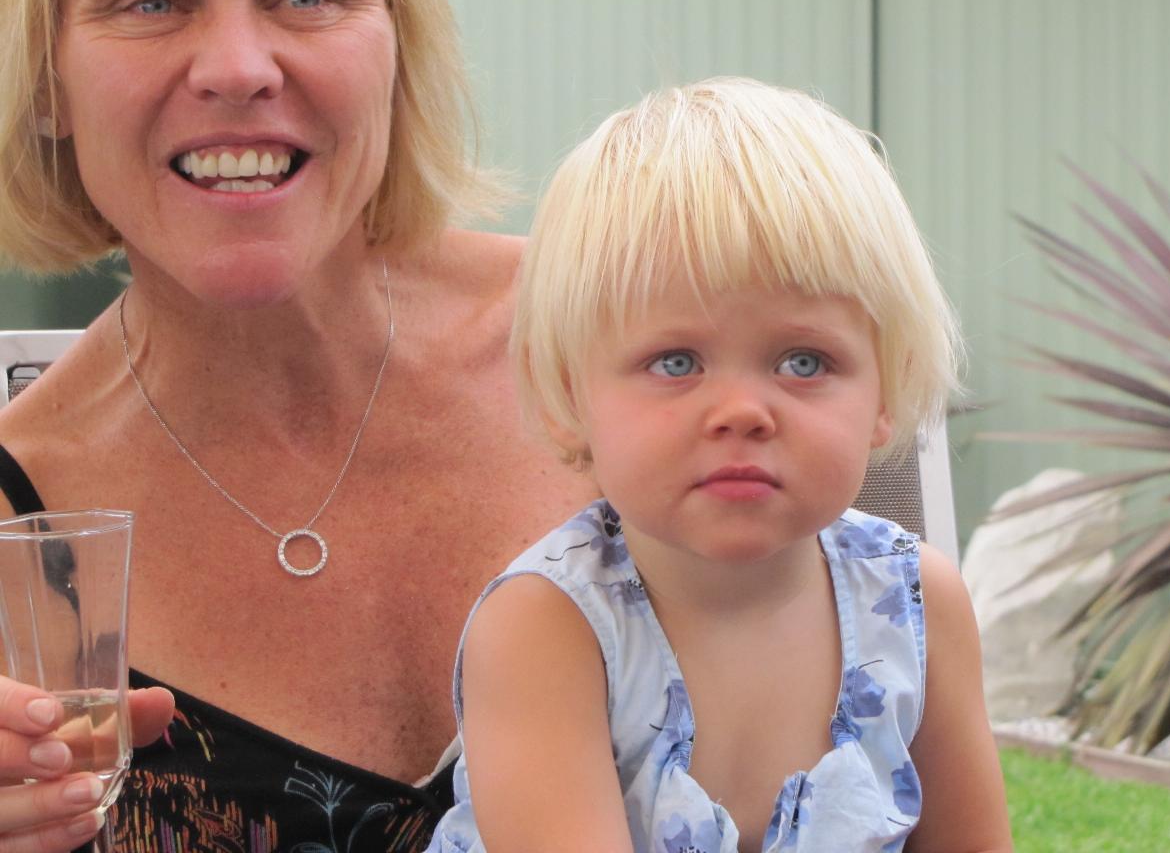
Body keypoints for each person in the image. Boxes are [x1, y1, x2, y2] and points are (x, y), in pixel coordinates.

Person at [0, 0, 597, 850]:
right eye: (152, 1)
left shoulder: (608, 340)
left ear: (399, 53)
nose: (238, 68)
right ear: (44, 85)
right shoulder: (18, 530)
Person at [426, 78, 1013, 853]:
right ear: (571, 394)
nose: (742, 410)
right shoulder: (548, 628)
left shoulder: (915, 604)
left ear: (885, 388)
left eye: (803, 360)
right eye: (676, 361)